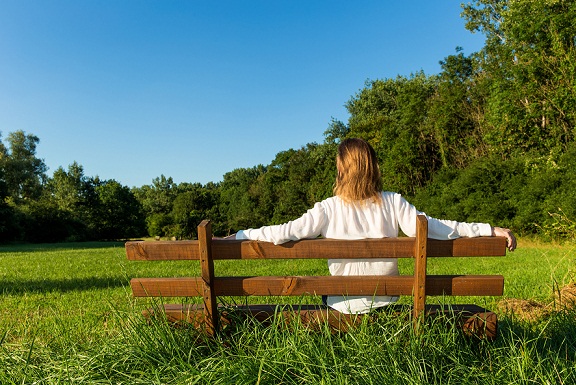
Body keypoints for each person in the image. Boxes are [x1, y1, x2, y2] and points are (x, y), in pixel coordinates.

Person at [229, 138, 516, 314]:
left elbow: (281, 233)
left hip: (342, 305)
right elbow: (438, 228)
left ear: (342, 169)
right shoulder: (393, 203)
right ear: (372, 167)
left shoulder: (327, 208)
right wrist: (489, 229)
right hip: (386, 301)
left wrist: (237, 236)